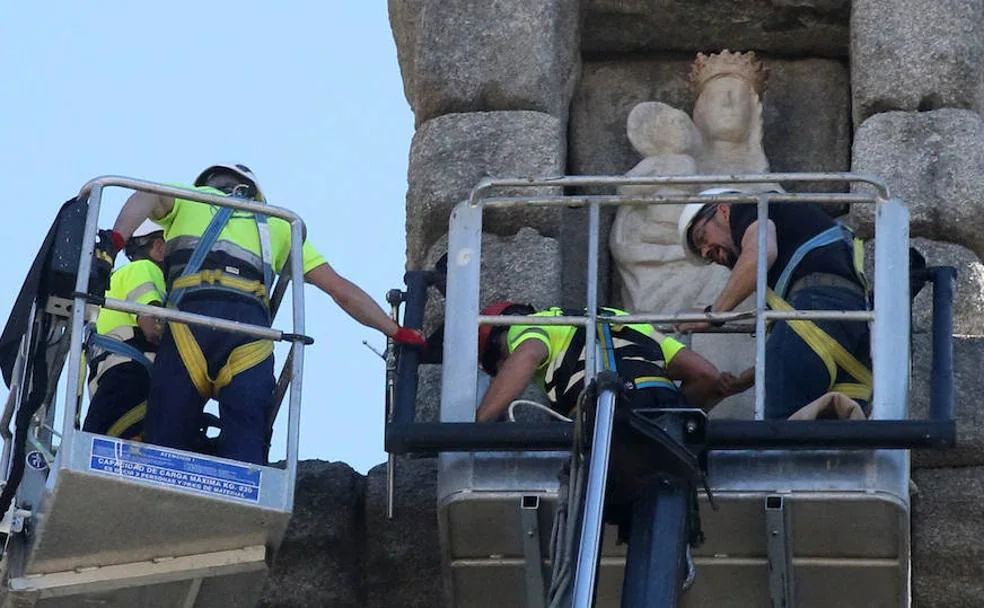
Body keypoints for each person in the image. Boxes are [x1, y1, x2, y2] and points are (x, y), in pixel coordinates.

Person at [95, 163, 426, 464]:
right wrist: (394, 330)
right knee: (246, 446)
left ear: (208, 182)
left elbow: (146, 195)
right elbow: (340, 289)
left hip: (189, 324)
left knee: (167, 444)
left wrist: (115, 239)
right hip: (251, 334)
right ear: (254, 191)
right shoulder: (279, 225)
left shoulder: (188, 198)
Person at [676, 197, 871, 419]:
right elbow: (794, 343)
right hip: (853, 343)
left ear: (723, 210)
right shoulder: (796, 251)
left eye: (702, 237)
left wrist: (713, 315)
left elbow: (760, 254)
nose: (705, 252)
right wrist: (745, 380)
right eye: (702, 253)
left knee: (777, 434)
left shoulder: (750, 206)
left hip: (815, 316)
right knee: (839, 445)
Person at [475, 302, 738, 423]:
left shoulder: (527, 328)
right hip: (661, 403)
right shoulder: (625, 320)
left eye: (496, 367)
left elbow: (527, 355)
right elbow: (706, 375)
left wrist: (478, 426)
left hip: (603, 415)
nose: (500, 372)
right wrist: (674, 419)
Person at [83, 221, 167, 440]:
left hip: (108, 385)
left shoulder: (115, 281)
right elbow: (152, 324)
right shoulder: (144, 269)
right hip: (132, 378)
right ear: (159, 248)